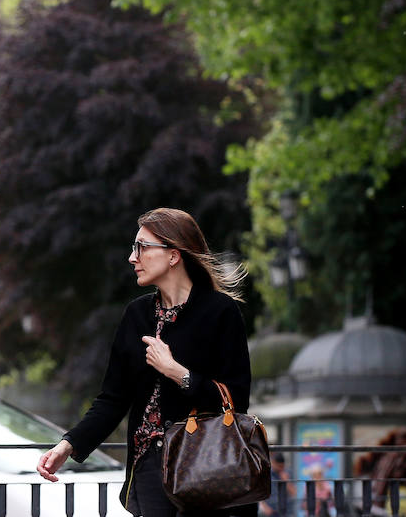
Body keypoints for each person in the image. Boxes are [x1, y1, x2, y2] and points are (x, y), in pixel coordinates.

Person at [35, 207, 253, 517]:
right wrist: (68, 445)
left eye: (142, 247)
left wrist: (177, 373)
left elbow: (237, 401)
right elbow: (113, 399)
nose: (132, 257)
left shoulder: (220, 312)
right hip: (149, 467)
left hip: (205, 468)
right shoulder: (136, 315)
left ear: (173, 255)